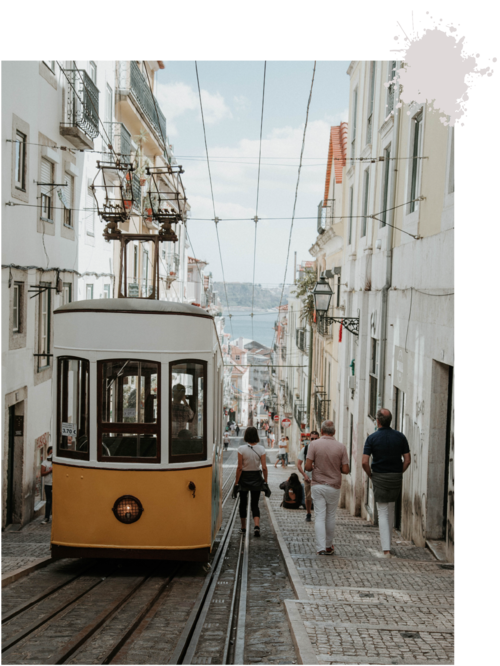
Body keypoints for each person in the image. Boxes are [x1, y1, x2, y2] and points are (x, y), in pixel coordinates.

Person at [362, 408, 411, 558]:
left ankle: (386, 549)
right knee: (391, 509)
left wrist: (371, 476)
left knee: (382, 512)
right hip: (395, 477)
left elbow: (364, 462)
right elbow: (407, 460)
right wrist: (398, 472)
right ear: (391, 421)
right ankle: (388, 544)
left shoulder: (372, 438)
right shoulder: (400, 437)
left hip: (379, 477)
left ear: (377, 421)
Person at [306, 421, 349, 555]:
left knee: (319, 516)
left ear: (321, 431)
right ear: (334, 432)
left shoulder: (314, 444)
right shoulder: (341, 447)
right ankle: (328, 546)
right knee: (330, 516)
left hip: (318, 484)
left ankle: (320, 548)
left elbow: (307, 467)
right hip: (333, 485)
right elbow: (346, 470)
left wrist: (315, 467)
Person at [234, 426, 268, 537]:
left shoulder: (241, 449)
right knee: (255, 504)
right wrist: (265, 482)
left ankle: (243, 528)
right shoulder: (261, 449)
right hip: (256, 477)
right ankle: (257, 526)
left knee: (242, 503)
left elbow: (239, 468)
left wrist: (236, 483)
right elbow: (264, 467)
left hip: (244, 477)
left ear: (246, 436)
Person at [297, 431, 319, 522]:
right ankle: (308, 513)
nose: (314, 440)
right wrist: (304, 475)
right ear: (309, 439)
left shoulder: (321, 449)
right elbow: (298, 464)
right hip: (308, 477)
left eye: (316, 438)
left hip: (319, 478)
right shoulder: (305, 449)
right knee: (308, 497)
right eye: (312, 438)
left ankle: (319, 515)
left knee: (319, 498)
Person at [41, 446, 53, 524]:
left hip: (55, 484)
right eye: (50, 453)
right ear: (48, 453)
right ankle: (47, 517)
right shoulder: (45, 462)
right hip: (48, 484)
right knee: (48, 501)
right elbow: (42, 473)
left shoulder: (56, 462)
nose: (51, 455)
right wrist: (49, 471)